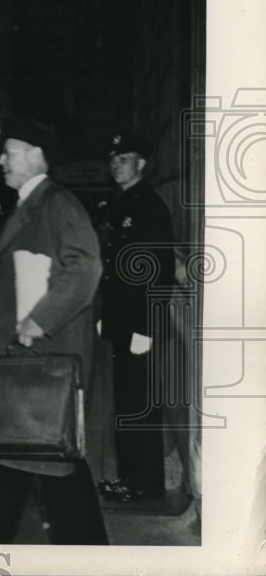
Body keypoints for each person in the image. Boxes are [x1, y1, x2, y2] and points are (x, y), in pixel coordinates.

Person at [0, 117, 108, 545]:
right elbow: (27, 276)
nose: (1, 160)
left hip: (38, 367)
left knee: (36, 471)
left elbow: (86, 267)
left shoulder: (57, 203)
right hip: (24, 370)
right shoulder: (29, 206)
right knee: (40, 471)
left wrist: (40, 320)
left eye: (9, 152)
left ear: (35, 155)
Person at [96, 130, 175, 502]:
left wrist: (145, 330)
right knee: (127, 400)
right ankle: (131, 479)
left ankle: (146, 484)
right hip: (123, 324)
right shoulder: (120, 204)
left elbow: (158, 274)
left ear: (141, 164)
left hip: (140, 327)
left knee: (139, 402)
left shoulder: (149, 208)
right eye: (113, 160)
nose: (116, 166)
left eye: (123, 159)